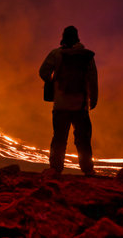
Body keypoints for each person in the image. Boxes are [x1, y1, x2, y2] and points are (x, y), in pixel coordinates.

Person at [39, 26, 98, 176]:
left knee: (59, 138)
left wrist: (54, 82)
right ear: (78, 38)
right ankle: (88, 169)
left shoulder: (56, 54)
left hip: (61, 104)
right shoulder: (86, 56)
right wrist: (94, 99)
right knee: (83, 139)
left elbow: (43, 72)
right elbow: (93, 79)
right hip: (81, 105)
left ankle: (55, 169)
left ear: (63, 37)